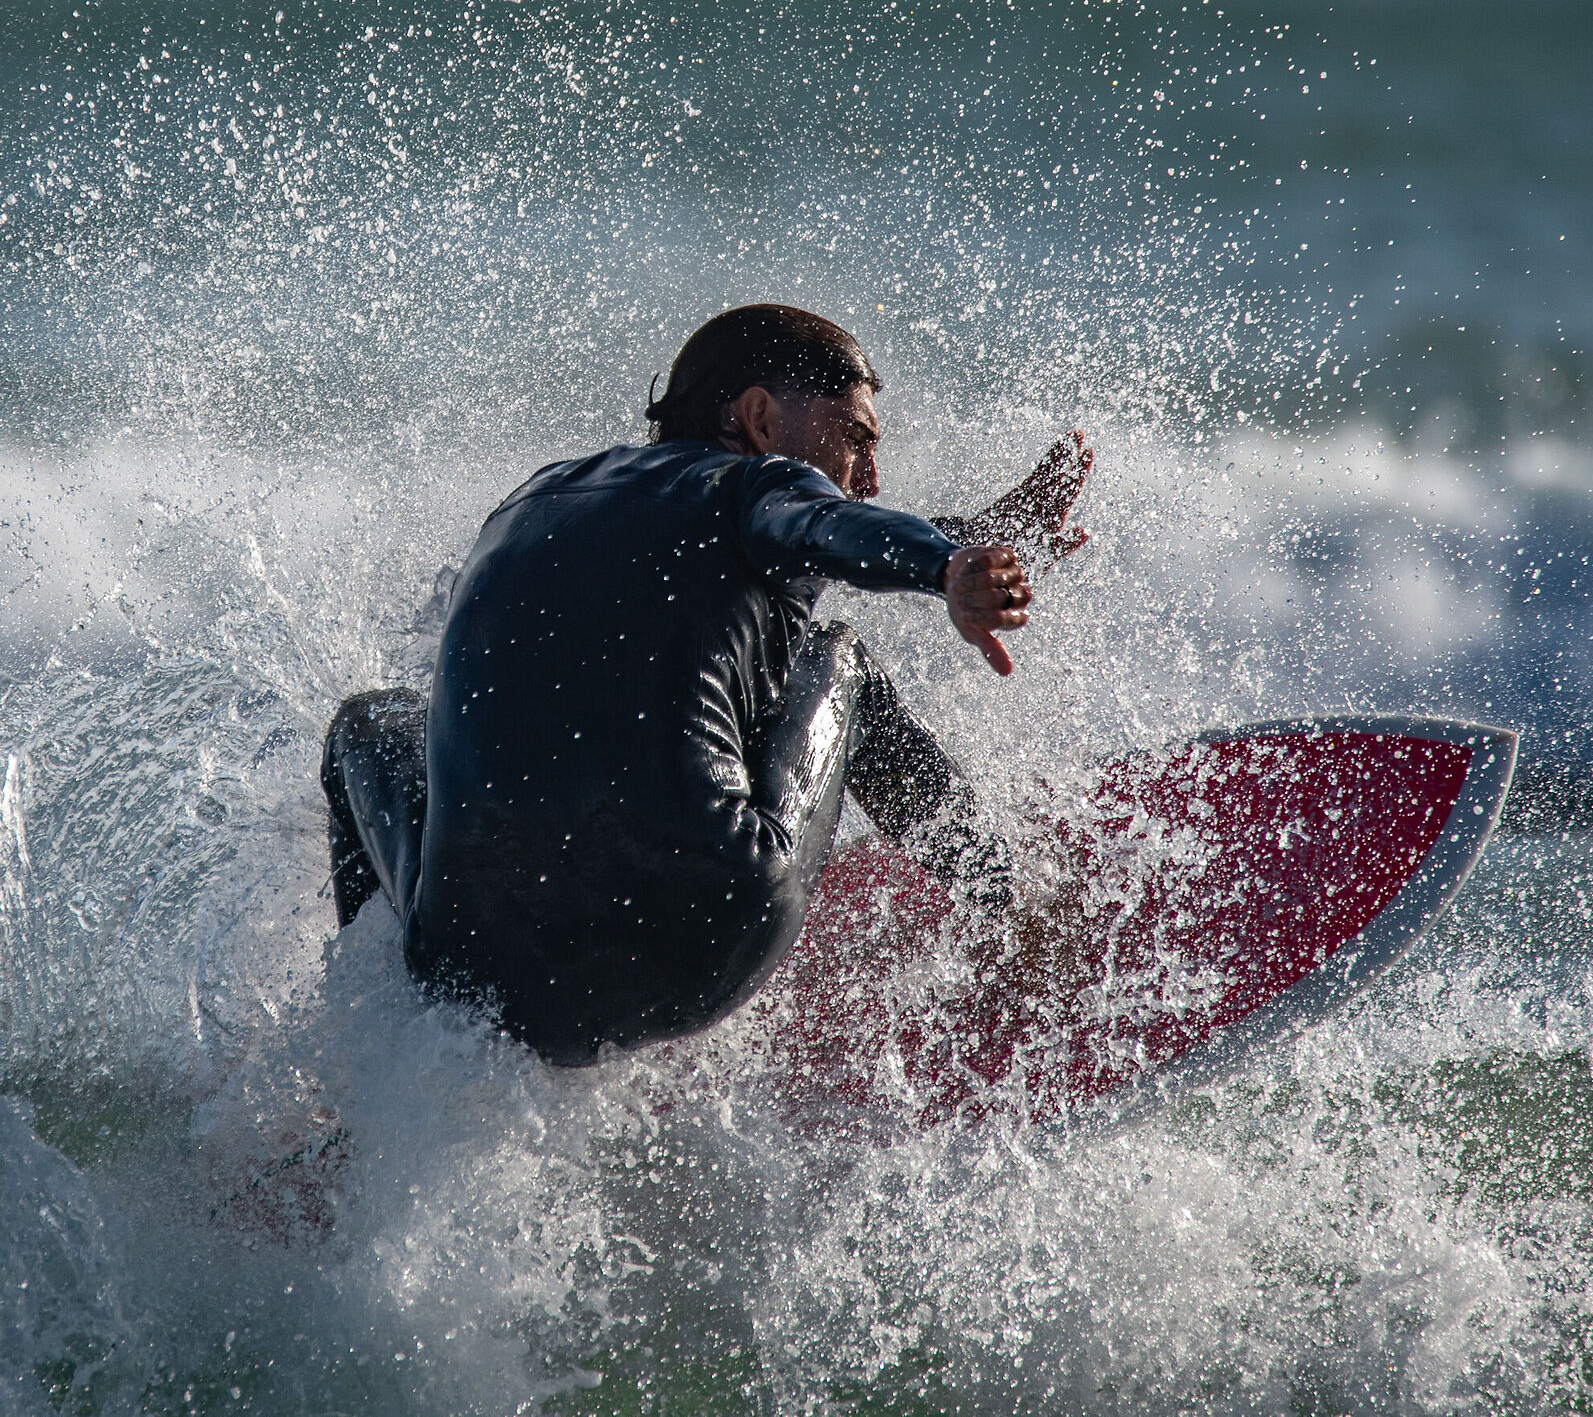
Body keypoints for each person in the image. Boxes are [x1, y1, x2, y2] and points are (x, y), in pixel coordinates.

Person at [320, 304, 1092, 1066]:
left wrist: (956, 541)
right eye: (856, 438)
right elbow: (822, 524)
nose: (870, 476)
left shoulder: (531, 502)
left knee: (364, 724)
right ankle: (1017, 917)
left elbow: (831, 527)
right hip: (697, 931)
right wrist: (943, 568)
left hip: (471, 970)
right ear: (758, 417)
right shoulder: (756, 490)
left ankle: (371, 1046)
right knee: (838, 658)